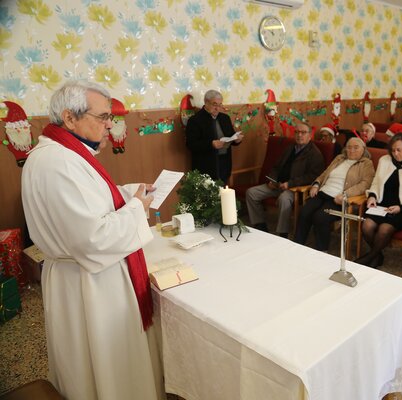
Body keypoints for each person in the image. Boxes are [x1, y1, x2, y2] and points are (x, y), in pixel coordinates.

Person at [20, 80, 163, 399]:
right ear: (70, 118)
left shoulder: (62, 154)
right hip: (90, 281)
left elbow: (90, 205)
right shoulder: (59, 162)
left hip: (82, 275)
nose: (109, 124)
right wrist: (137, 208)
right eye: (103, 117)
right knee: (106, 368)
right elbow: (94, 238)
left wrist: (130, 194)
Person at [355, 134, 402, 268]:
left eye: (399, 150)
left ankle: (369, 258)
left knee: (384, 229)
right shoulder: (384, 160)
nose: (395, 153)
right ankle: (377, 255)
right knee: (366, 225)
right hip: (382, 206)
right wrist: (372, 196)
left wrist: (401, 207)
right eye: (393, 150)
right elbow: (376, 182)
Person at [294, 137, 375, 251]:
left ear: (363, 149)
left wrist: (346, 194)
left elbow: (366, 183)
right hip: (323, 192)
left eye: (356, 147)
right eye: (349, 147)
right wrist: (316, 184)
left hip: (339, 198)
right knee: (304, 212)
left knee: (320, 217)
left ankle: (322, 250)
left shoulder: (366, 163)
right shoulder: (339, 158)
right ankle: (296, 246)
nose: (351, 150)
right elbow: (325, 173)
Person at [246, 122, 324, 238]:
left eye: (303, 132)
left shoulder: (315, 154)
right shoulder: (290, 148)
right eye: (297, 132)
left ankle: (283, 233)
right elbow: (276, 167)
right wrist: (272, 179)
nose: (299, 135)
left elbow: (312, 176)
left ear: (310, 135)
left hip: (295, 189)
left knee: (284, 199)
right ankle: (260, 224)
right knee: (251, 193)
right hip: (278, 185)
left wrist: (290, 184)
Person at [185, 90, 244, 183]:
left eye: (220, 105)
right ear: (206, 103)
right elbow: (191, 144)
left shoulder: (225, 118)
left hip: (224, 163)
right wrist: (211, 144)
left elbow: (230, 137)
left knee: (223, 189)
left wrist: (237, 140)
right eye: (214, 104)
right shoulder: (195, 120)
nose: (218, 108)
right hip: (205, 165)